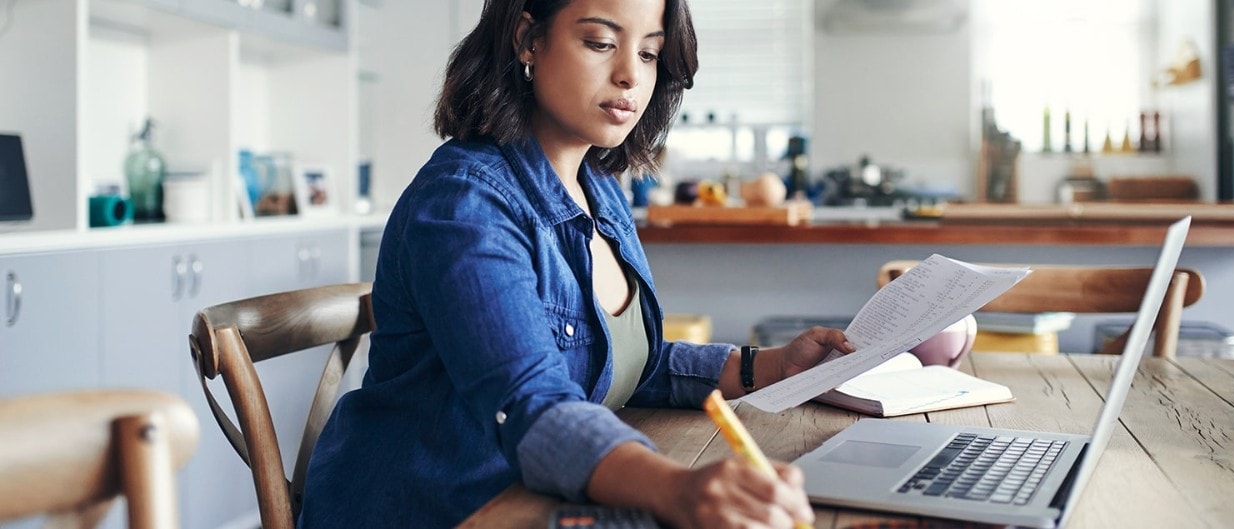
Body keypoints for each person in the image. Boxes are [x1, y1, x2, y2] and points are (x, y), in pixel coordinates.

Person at [298, 0, 854, 527]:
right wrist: (680, 489)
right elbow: (533, 405)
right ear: (528, 39)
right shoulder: (465, 204)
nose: (630, 77)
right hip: (439, 511)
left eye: (648, 54)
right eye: (599, 42)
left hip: (534, 503)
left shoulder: (600, 190)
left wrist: (767, 367)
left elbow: (625, 364)